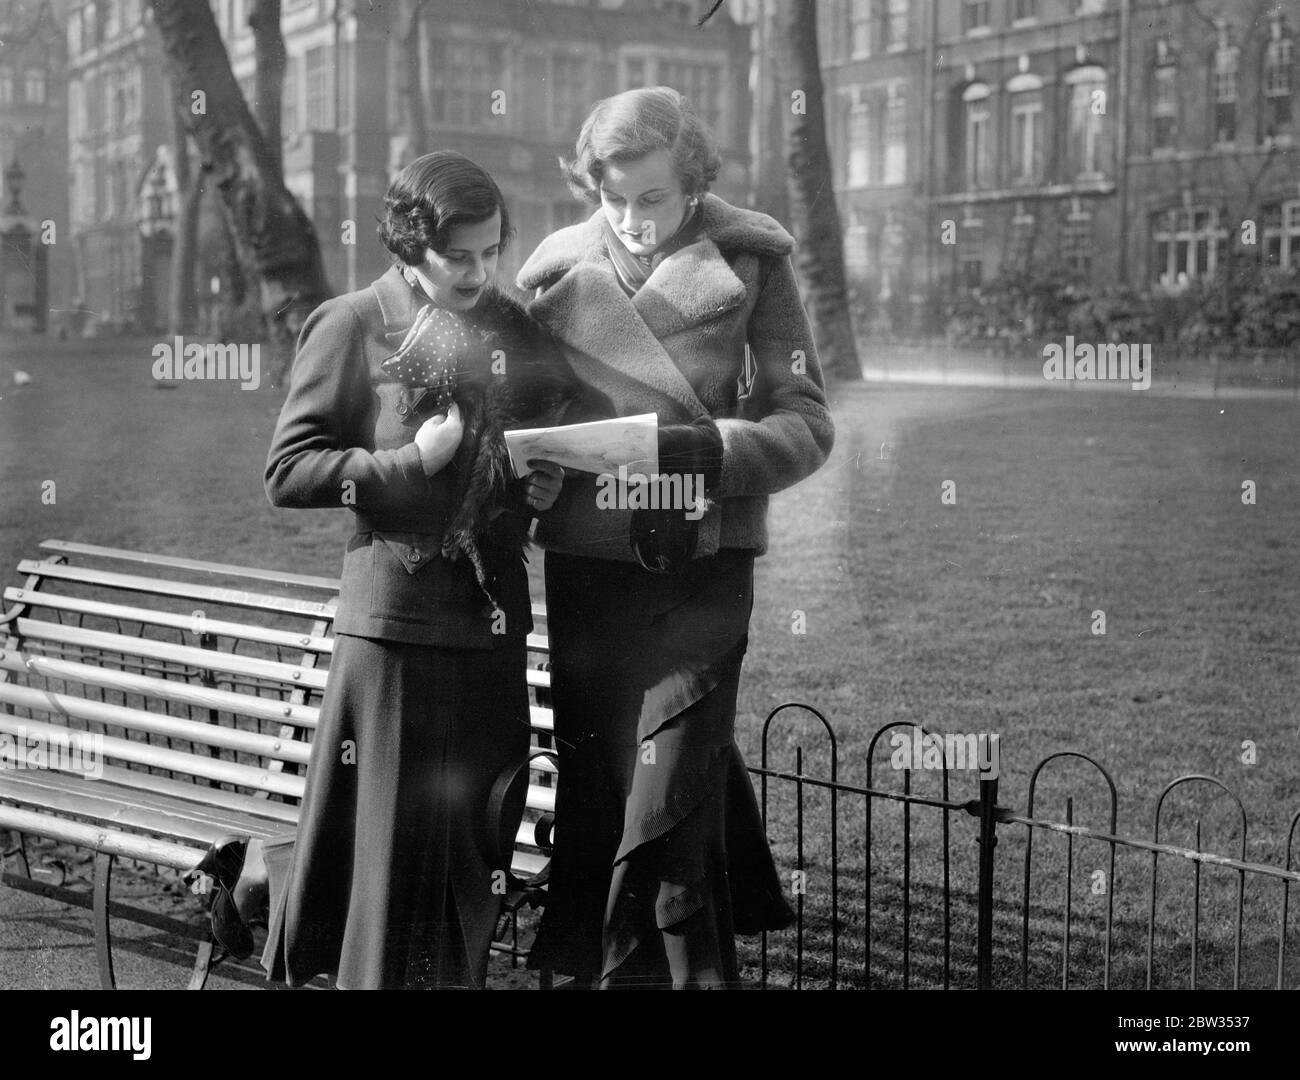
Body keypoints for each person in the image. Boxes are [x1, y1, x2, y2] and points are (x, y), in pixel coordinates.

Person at [515, 86, 836, 988]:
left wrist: (715, 450)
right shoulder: (551, 276)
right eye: (613, 197)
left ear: (692, 183)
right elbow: (526, 422)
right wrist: (535, 473)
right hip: (589, 570)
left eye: (654, 197)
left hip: (702, 574)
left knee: (667, 805)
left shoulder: (753, 261)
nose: (633, 219)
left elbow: (808, 422)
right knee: (601, 796)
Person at [248, 150, 571, 989]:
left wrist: (536, 484)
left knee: (474, 854)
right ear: (407, 245)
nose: (479, 272)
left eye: (491, 251)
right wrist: (405, 464)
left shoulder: (508, 327)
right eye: (457, 255)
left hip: (491, 630)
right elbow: (289, 470)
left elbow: (533, 446)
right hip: (394, 640)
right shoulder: (354, 322)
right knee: (387, 874)